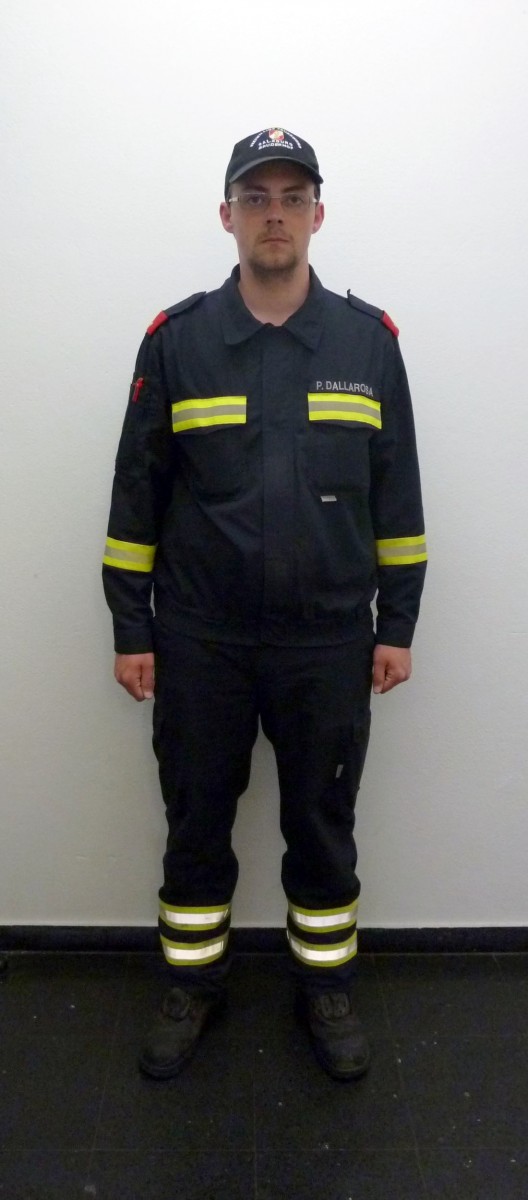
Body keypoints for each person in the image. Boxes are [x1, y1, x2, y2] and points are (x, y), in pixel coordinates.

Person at [103, 126, 427, 1082]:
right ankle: (192, 985)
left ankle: (324, 989)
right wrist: (131, 627)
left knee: (322, 823)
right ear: (228, 215)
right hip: (201, 638)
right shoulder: (178, 342)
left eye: (292, 197)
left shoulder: (368, 345)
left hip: (328, 640)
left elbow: (398, 498)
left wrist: (398, 625)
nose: (274, 214)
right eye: (256, 197)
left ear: (318, 215)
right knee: (196, 819)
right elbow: (137, 497)